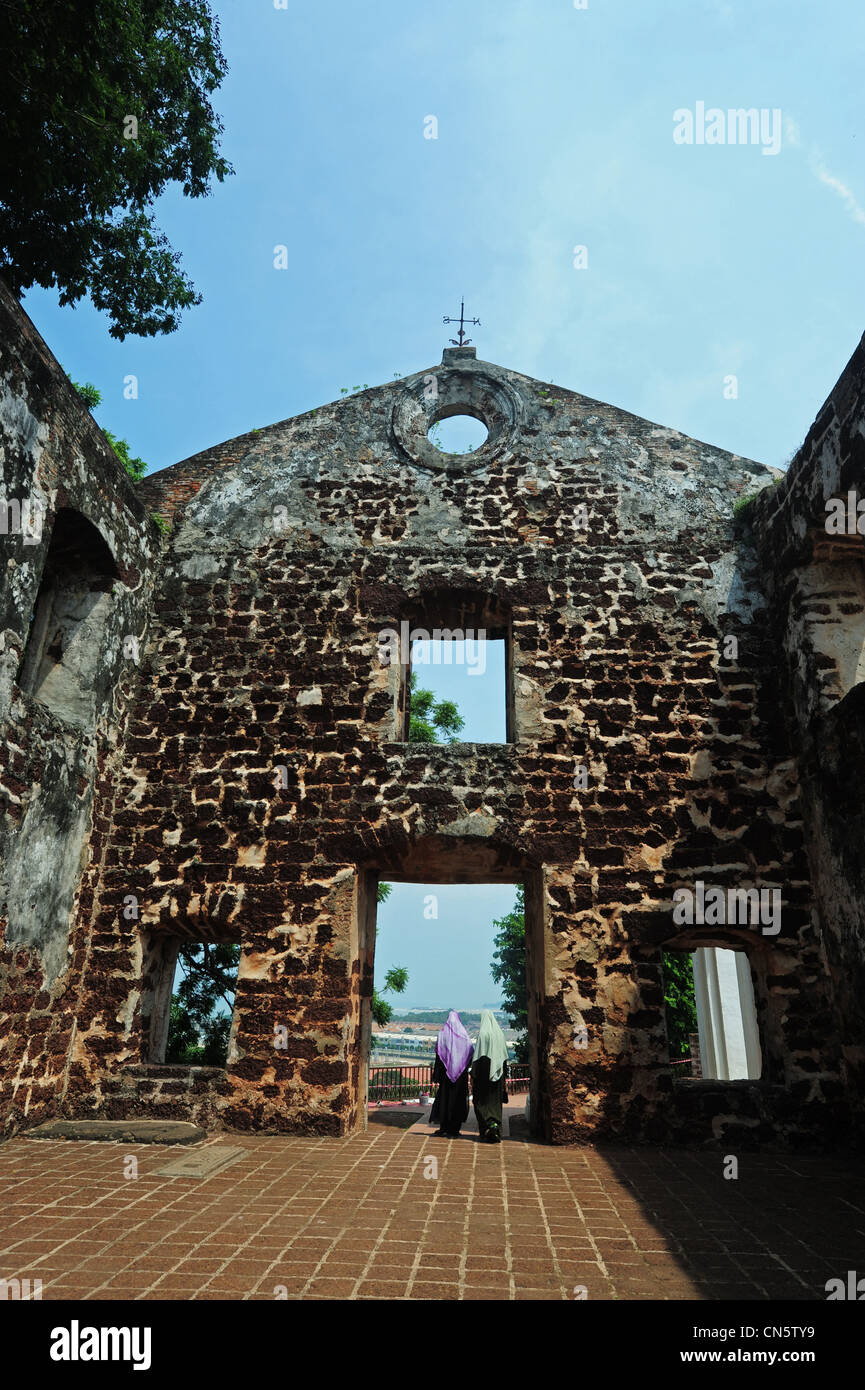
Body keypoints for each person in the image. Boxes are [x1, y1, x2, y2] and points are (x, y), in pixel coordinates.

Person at [429, 1011, 473, 1137]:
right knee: (458, 1102)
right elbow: (470, 1054)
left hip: (445, 1076)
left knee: (444, 1101)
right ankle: (455, 1129)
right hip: (460, 1077)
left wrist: (437, 1075)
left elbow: (438, 1057)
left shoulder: (442, 1035)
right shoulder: (464, 1037)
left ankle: (444, 1127)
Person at [471, 1009, 509, 1143]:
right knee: (495, 1103)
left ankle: (486, 1129)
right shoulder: (500, 1034)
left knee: (480, 1102)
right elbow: (504, 1057)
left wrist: (473, 1075)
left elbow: (477, 1057)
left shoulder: (482, 1034)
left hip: (483, 1074)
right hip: (498, 1075)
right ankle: (496, 1128)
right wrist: (504, 1075)